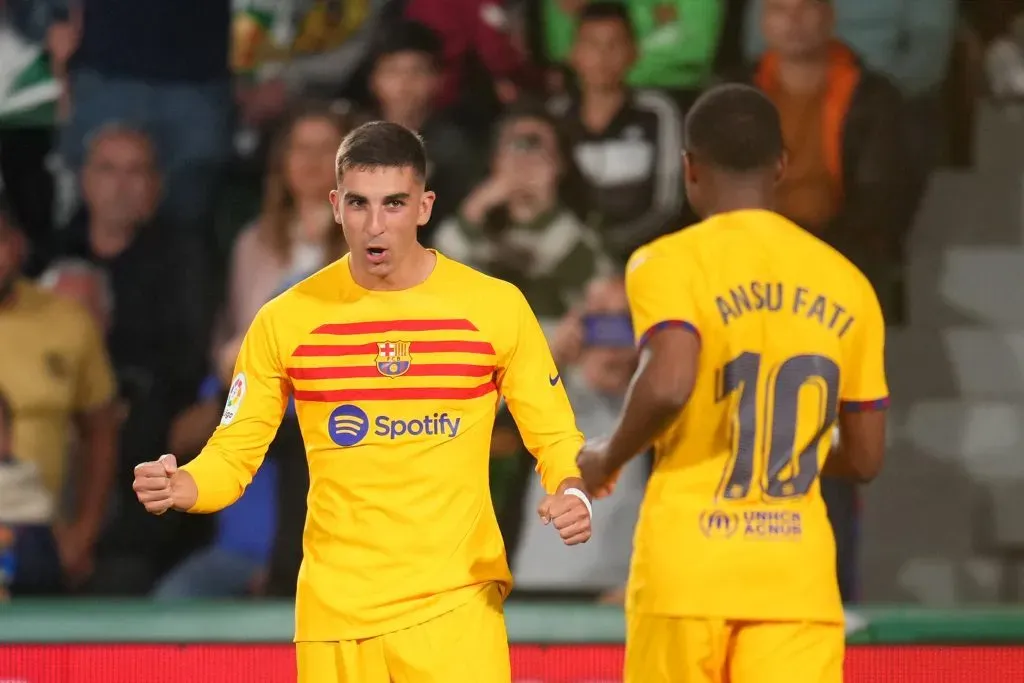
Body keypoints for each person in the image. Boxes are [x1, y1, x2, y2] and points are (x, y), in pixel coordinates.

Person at [133, 121, 593, 683]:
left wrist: (572, 490)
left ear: (424, 207)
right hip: (336, 617)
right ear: (335, 205)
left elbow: (554, 435)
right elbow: (234, 452)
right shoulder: (286, 318)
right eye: (359, 204)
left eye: (394, 204)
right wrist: (185, 485)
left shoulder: (495, 308)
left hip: (455, 609)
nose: (376, 226)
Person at [577, 84, 888, 683]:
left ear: (689, 168)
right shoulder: (849, 283)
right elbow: (868, 457)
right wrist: (788, 442)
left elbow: (668, 384)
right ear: (781, 164)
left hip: (686, 573)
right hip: (797, 582)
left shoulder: (666, 261)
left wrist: (607, 458)